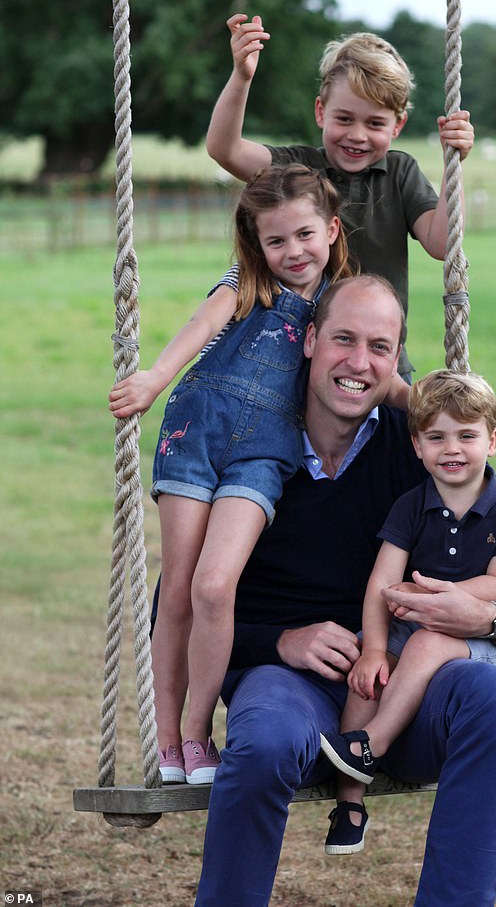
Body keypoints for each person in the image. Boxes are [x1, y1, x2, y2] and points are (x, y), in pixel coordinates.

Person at [193, 275, 496, 906]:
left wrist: (486, 615)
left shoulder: (418, 446)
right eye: (343, 339)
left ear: (397, 362)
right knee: (264, 739)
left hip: (408, 686)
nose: (359, 363)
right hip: (294, 686)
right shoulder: (250, 445)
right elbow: (177, 609)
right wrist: (282, 641)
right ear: (310, 340)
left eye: (380, 346)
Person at [108, 164, 354, 785]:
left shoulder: (338, 303)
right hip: (195, 434)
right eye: (276, 241)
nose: (292, 252)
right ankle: (170, 743)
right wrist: (154, 378)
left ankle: (198, 732)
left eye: (303, 235)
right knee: (180, 587)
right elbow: (201, 327)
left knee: (216, 587)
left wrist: (426, 403)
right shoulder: (247, 282)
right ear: (258, 243)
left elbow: (367, 369)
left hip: (264, 454)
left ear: (330, 229)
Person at [319, 369, 496, 855]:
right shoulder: (411, 506)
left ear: (493, 440)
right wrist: (374, 649)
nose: (452, 449)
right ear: (417, 446)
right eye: (436, 437)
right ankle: (350, 801)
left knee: (428, 640)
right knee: (366, 675)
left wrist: (440, 601)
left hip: (473, 633)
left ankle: (372, 742)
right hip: (408, 621)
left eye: (467, 435)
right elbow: (381, 582)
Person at [205, 14, 475, 376]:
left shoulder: (400, 173)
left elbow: (442, 244)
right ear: (321, 111)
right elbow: (226, 149)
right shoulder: (298, 169)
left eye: (375, 123)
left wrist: (452, 166)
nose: (358, 135)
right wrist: (242, 76)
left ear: (398, 125)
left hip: (381, 365)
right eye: (344, 119)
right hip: (301, 368)